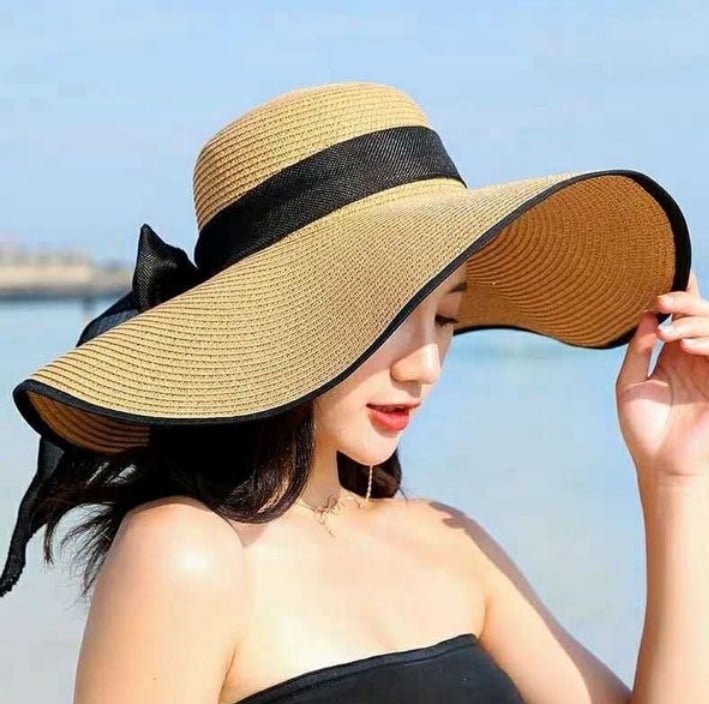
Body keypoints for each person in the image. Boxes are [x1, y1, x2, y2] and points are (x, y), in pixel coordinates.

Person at [1, 81, 706, 703]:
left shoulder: (449, 543)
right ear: (278, 318)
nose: (425, 366)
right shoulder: (187, 554)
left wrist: (676, 477)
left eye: (446, 319)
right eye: (392, 316)